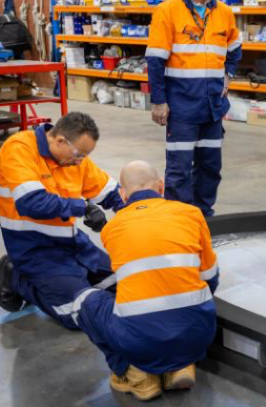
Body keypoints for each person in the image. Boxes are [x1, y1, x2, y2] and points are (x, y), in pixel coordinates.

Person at [75, 160, 220, 401]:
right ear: (161, 186)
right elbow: (211, 279)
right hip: (200, 336)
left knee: (89, 301)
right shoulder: (192, 214)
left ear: (122, 195)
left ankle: (135, 373)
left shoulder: (113, 229)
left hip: (140, 343)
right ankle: (180, 367)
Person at [0, 112, 123, 331]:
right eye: (79, 154)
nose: (81, 161)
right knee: (76, 314)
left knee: (125, 287)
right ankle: (14, 274)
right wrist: (83, 207)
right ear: (60, 140)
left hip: (72, 242)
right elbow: (32, 202)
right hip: (34, 248)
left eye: (84, 156)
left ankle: (73, 281)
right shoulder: (19, 148)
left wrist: (144, 208)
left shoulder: (74, 157)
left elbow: (111, 192)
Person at [146, 0, 241, 218]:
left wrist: (228, 77)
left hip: (212, 107)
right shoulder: (167, 11)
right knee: (179, 169)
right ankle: (179, 220)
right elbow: (155, 61)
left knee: (210, 166)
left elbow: (234, 49)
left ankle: (203, 217)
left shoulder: (224, 13)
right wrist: (158, 101)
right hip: (182, 107)